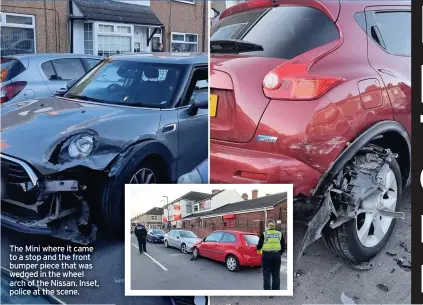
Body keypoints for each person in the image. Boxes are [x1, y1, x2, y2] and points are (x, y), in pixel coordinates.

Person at [257, 221, 285, 290]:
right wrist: (278, 254)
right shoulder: (279, 234)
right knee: (276, 274)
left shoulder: (264, 234)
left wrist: (259, 250)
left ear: (267, 226)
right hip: (276, 256)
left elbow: (259, 246)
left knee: (266, 274)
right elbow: (283, 247)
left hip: (266, 256)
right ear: (274, 226)